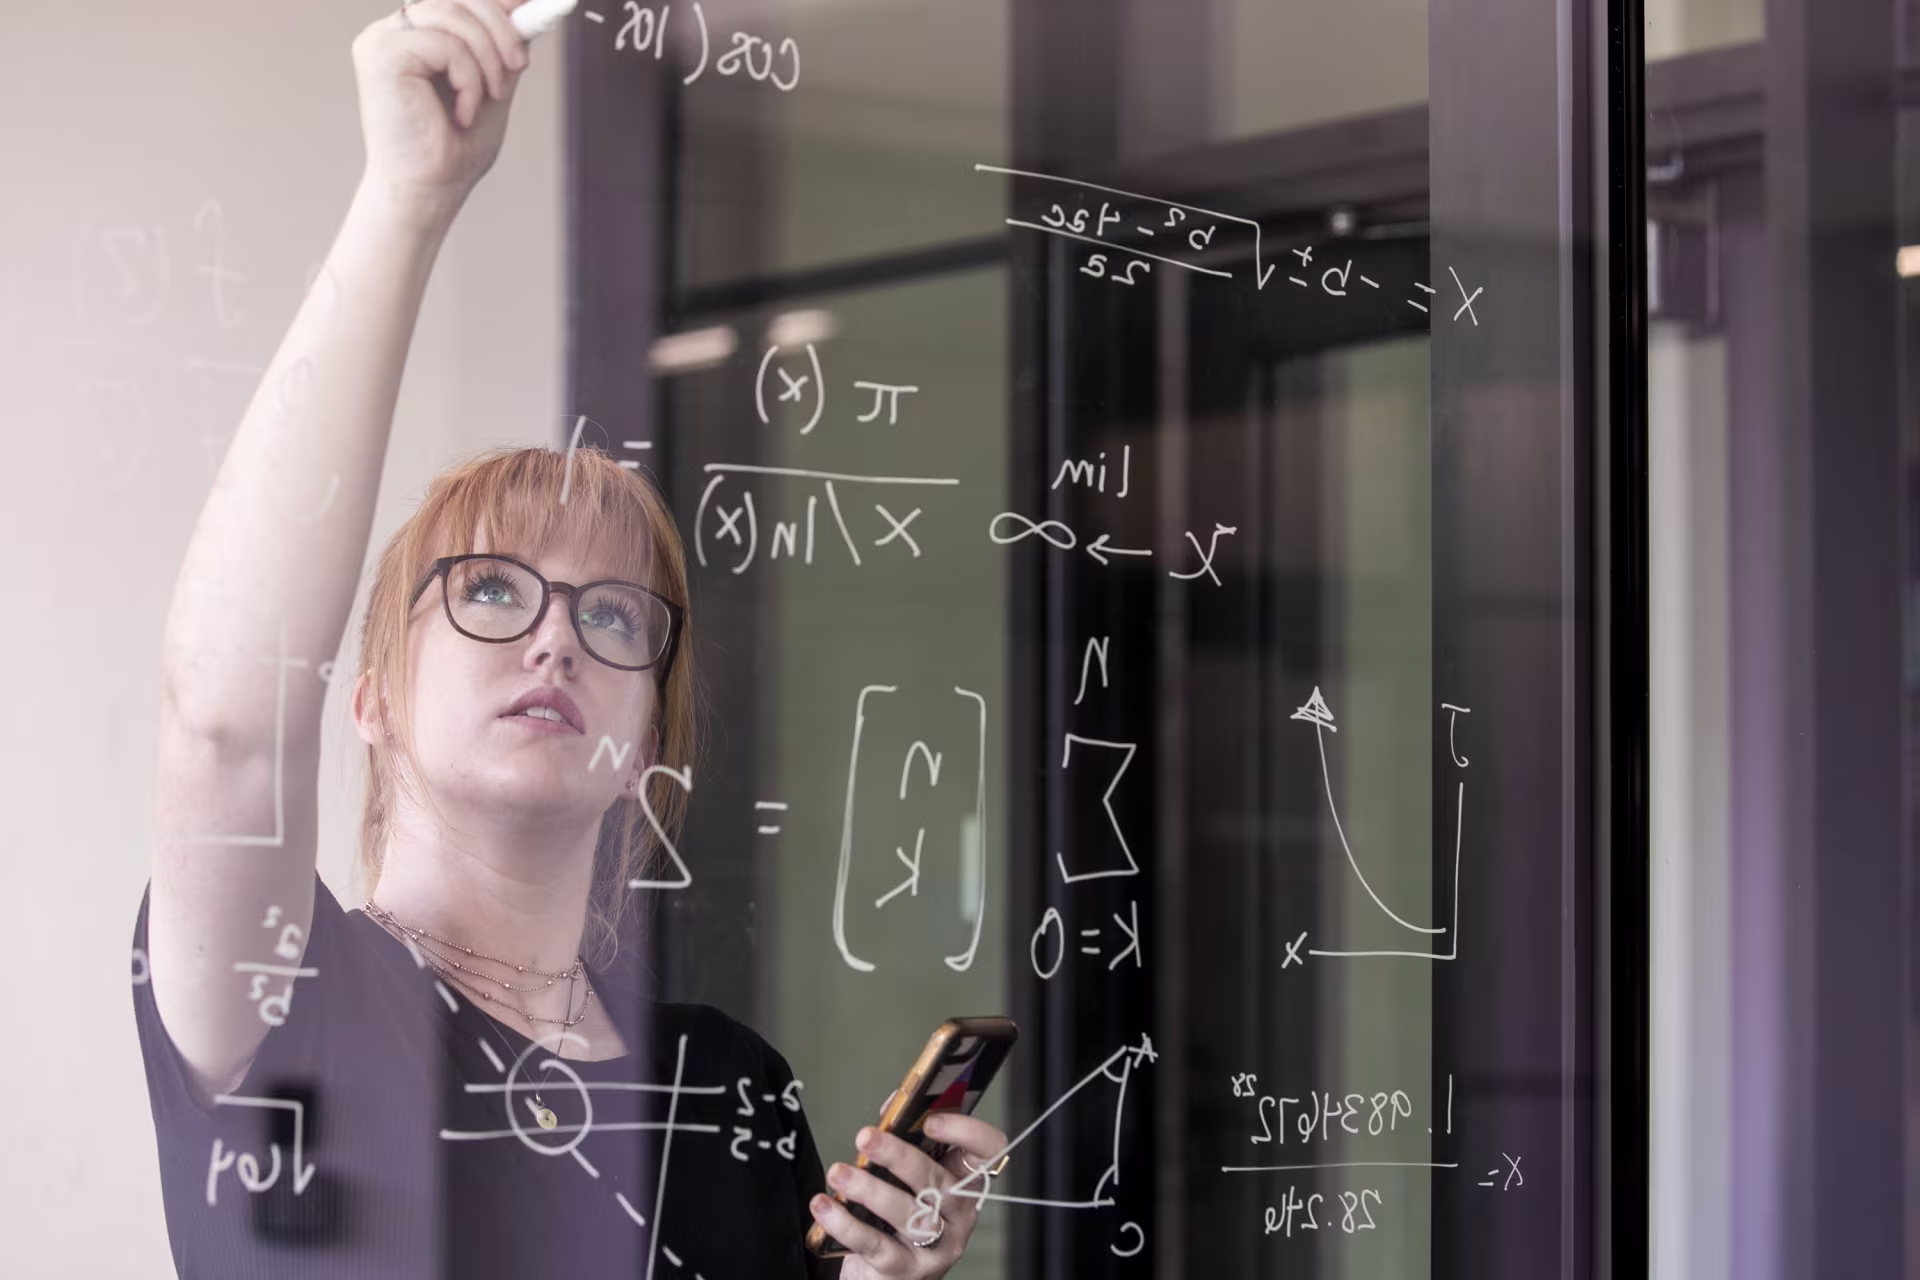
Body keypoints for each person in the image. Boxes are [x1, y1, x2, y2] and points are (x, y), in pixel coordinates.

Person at [130, 2, 1009, 1275]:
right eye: (490, 591)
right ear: (369, 693)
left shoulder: (730, 1088)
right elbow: (219, 719)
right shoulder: (293, 995)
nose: (556, 643)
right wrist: (406, 199)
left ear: (650, 727)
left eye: (610, 615)